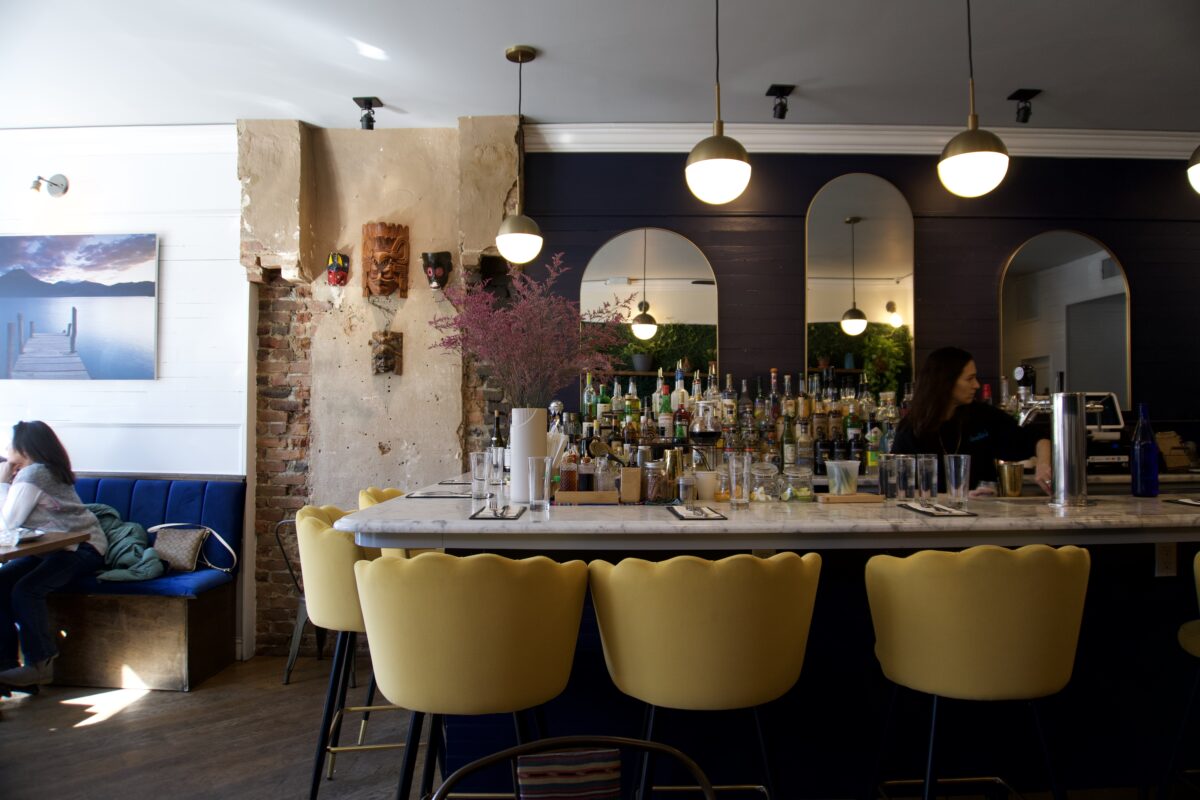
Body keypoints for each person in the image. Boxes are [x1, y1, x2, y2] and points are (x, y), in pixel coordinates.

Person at [0, 421, 106, 687]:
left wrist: (2, 481)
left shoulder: (34, 473)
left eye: (10, 444)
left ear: (25, 447)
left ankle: (40, 664)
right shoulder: (43, 470)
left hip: (84, 547)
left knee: (26, 589)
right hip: (52, 550)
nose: (6, 448)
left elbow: (9, 522)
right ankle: (6, 668)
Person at [892, 347, 1052, 494]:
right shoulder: (911, 429)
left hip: (982, 518)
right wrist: (961, 497)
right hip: (928, 521)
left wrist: (1043, 464)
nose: (976, 385)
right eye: (970, 379)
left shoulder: (983, 416)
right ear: (946, 382)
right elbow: (898, 489)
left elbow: (1035, 437)